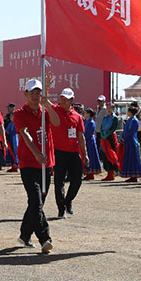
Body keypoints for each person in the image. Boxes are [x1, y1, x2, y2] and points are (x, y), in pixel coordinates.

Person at [13, 76, 60, 254]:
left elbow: (56, 122)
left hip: (46, 164)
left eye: (38, 92)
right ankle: (45, 238)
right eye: (32, 93)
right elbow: (25, 134)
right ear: (25, 94)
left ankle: (25, 234)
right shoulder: (19, 113)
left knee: (36, 204)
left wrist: (47, 104)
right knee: (36, 200)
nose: (35, 96)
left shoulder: (45, 111)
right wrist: (36, 152)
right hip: (29, 163)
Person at [46, 86, 88, 218]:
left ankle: (68, 200)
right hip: (58, 152)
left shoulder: (77, 117)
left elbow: (81, 137)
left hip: (73, 153)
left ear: (72, 101)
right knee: (59, 182)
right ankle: (60, 208)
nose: (63, 101)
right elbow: (45, 102)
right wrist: (46, 86)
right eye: (62, 98)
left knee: (77, 179)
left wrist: (84, 154)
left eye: (66, 99)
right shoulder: (55, 110)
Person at [119, 106, 141, 182]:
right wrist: (122, 137)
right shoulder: (129, 120)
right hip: (127, 141)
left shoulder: (134, 120)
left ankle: (134, 175)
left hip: (132, 141)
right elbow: (125, 130)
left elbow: (131, 131)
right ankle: (130, 175)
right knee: (128, 157)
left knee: (133, 158)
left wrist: (125, 137)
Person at [98, 103, 120, 181]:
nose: (108, 109)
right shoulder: (105, 118)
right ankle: (108, 172)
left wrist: (106, 135)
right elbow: (101, 127)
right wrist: (102, 134)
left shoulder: (115, 118)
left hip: (110, 137)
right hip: (104, 137)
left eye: (110, 108)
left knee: (111, 154)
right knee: (105, 154)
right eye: (107, 108)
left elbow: (113, 128)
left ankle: (112, 173)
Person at [82, 109, 101, 180]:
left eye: (85, 113)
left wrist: (84, 137)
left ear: (89, 114)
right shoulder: (85, 122)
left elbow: (89, 133)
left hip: (89, 141)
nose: (84, 114)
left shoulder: (91, 122)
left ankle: (91, 172)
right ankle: (87, 172)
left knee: (91, 155)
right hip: (85, 140)